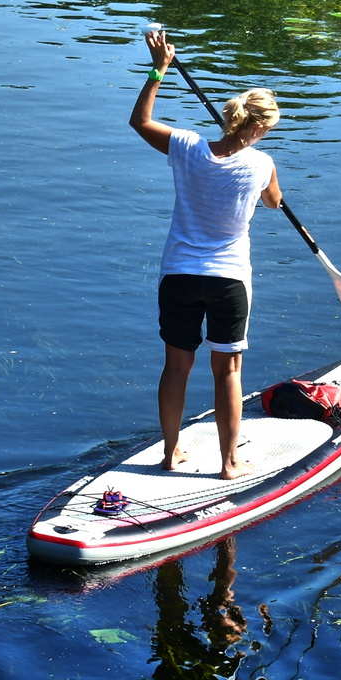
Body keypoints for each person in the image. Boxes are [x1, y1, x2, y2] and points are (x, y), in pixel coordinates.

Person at [129, 24, 282, 481]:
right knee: (227, 371)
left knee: (177, 366)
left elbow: (139, 122)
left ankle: (169, 452)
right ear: (257, 127)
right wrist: (268, 189)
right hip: (229, 280)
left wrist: (159, 72)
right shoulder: (261, 164)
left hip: (179, 274)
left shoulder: (187, 146)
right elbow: (274, 202)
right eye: (267, 129)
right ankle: (229, 464)